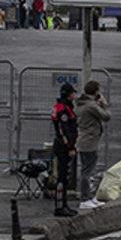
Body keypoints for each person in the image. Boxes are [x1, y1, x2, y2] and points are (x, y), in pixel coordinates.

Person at [75, 80, 111, 210]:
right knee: (87, 171)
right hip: (89, 141)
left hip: (85, 140)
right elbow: (106, 116)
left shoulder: (81, 103)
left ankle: (89, 197)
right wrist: (104, 105)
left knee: (87, 169)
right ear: (96, 91)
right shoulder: (91, 106)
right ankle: (85, 198)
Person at [51, 83, 79, 217]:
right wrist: (70, 147)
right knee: (62, 177)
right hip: (63, 146)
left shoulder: (65, 107)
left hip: (63, 144)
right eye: (73, 93)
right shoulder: (63, 109)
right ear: (68, 95)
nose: (74, 95)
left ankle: (64, 204)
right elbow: (64, 130)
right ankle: (60, 206)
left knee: (65, 177)